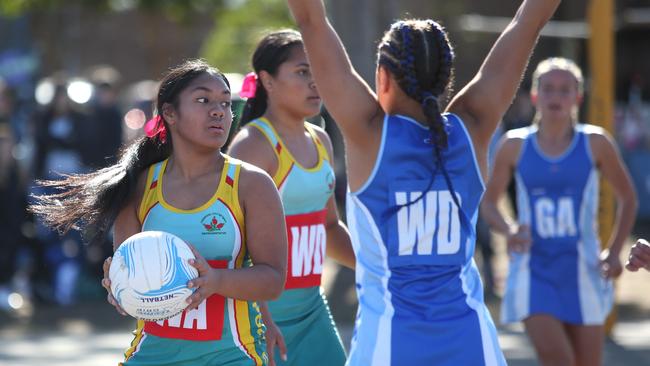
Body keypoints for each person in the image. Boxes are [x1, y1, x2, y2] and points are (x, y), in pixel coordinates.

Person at [286, 0, 560, 364]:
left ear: (382, 77)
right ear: (447, 78)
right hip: (471, 343)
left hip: (391, 345)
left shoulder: (370, 134)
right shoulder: (472, 126)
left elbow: (310, 18)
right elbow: (529, 20)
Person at [30, 59, 287, 366]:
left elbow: (272, 280)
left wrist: (216, 280)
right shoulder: (139, 186)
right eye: (203, 100)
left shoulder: (251, 184)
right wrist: (120, 288)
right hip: (151, 355)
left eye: (225, 102)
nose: (218, 110)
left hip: (230, 356)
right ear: (169, 113)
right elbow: (128, 274)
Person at [481, 57, 638, 366]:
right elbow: (488, 202)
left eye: (565, 90)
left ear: (578, 97)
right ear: (535, 95)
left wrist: (615, 250)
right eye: (548, 89)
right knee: (559, 360)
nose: (556, 97)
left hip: (583, 270)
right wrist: (510, 229)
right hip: (533, 271)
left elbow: (628, 197)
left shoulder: (595, 143)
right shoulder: (515, 145)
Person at [227, 29, 355, 366]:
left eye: (318, 71)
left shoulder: (321, 140)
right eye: (302, 72)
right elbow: (233, 247)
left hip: (313, 311)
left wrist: (382, 268)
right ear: (267, 81)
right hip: (261, 318)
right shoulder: (252, 146)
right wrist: (262, 319)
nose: (316, 83)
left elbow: (328, 228)